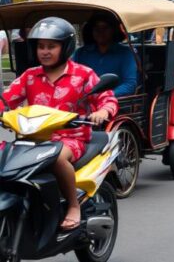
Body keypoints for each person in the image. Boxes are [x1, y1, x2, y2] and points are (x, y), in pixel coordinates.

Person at [2, 17, 117, 230]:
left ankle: (74, 206)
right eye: (41, 46)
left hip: (70, 139)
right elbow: (6, 99)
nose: (45, 51)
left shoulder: (83, 75)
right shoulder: (29, 76)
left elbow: (107, 99)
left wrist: (102, 111)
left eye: (51, 46)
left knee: (55, 159)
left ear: (65, 47)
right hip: (32, 139)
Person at [72, 14, 139, 96]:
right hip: (83, 101)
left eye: (105, 28)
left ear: (113, 30)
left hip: (116, 103)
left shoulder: (125, 53)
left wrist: (106, 96)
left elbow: (130, 85)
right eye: (97, 28)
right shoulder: (81, 53)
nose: (100, 31)